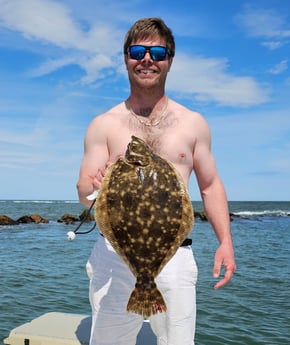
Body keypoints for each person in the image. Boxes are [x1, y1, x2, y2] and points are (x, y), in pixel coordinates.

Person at [77, 17, 236, 345]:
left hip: (174, 256)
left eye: (157, 52)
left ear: (169, 61)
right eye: (137, 51)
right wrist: (93, 186)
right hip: (113, 257)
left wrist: (225, 242)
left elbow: (209, 185)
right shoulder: (103, 124)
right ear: (125, 59)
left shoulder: (192, 123)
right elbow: (86, 192)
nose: (146, 59)